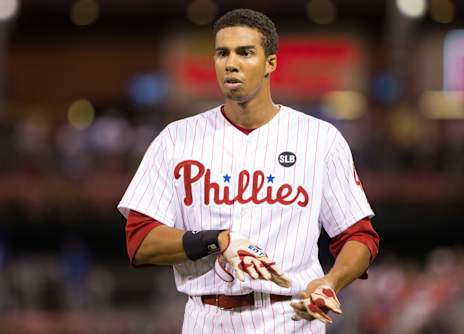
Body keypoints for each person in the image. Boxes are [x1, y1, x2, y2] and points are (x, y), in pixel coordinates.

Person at [118, 8, 379, 333]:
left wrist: (331, 281)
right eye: (222, 53)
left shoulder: (320, 139)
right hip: (207, 318)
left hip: (290, 317)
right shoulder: (176, 138)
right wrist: (219, 241)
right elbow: (140, 240)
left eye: (245, 53)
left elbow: (358, 235)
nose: (231, 63)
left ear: (271, 62)